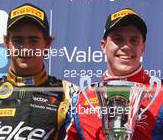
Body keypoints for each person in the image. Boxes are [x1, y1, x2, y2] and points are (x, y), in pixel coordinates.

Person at [0, 3, 79, 139]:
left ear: (47, 44)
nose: (25, 49)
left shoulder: (69, 92)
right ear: (6, 43)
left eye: (33, 40)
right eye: (18, 40)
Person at [62, 8, 163, 139]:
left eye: (134, 40)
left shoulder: (159, 94)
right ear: (103, 46)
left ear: (142, 48)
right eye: (118, 39)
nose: (126, 46)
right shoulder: (81, 100)